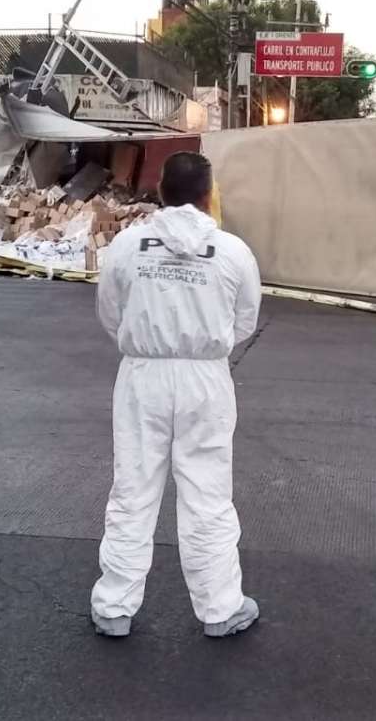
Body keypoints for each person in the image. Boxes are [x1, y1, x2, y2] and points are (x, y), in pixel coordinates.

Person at [91, 151, 262, 638]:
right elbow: (245, 320)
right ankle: (220, 608)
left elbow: (110, 312)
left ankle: (114, 606)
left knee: (132, 490)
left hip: (142, 376)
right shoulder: (231, 251)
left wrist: (146, 342)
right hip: (205, 380)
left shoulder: (126, 246)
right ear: (209, 196)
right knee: (207, 493)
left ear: (160, 191)